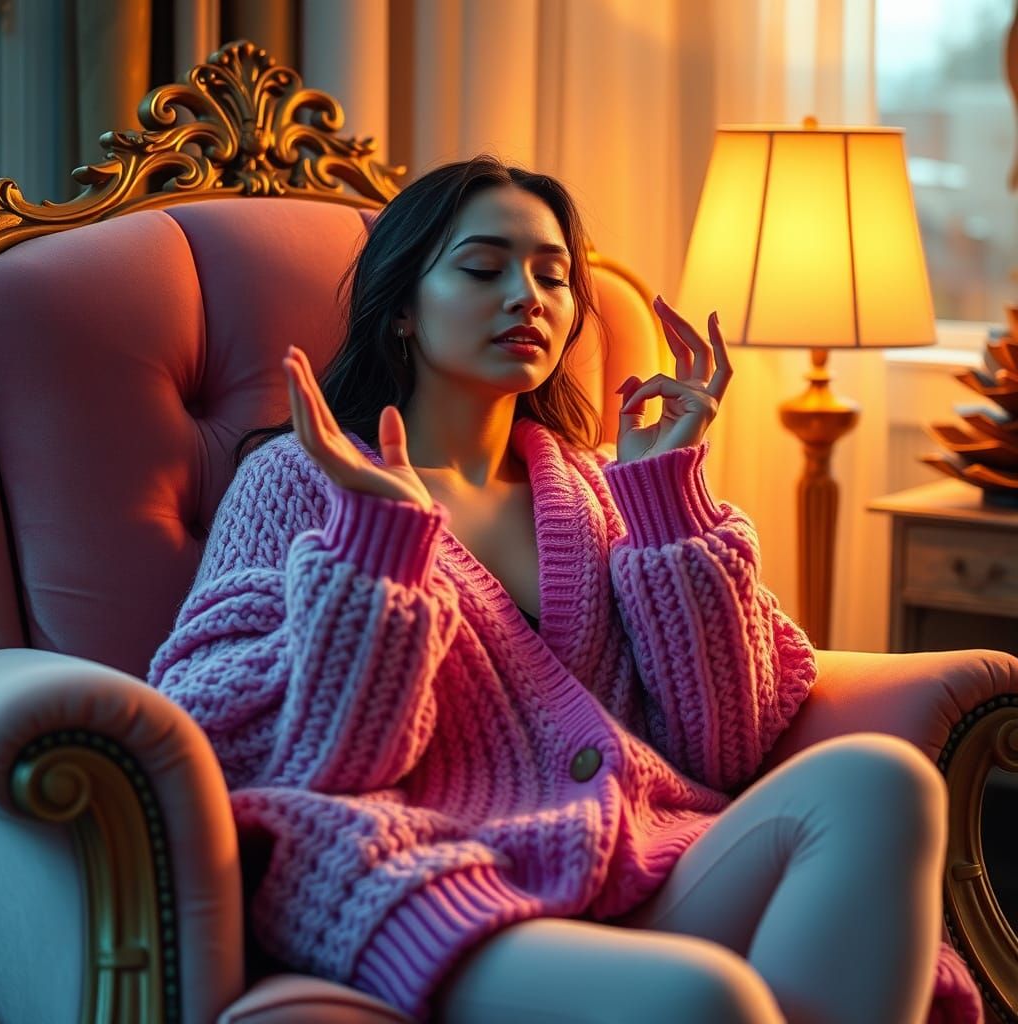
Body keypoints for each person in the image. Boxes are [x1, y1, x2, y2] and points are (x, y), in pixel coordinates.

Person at [148, 155, 982, 1024]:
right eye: (483, 268)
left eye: (553, 275)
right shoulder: (299, 481)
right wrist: (379, 549)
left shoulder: (594, 490)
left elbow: (722, 748)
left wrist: (665, 502)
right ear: (401, 307)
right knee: (707, 998)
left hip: (633, 854)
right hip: (424, 875)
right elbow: (269, 751)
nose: (529, 296)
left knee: (884, 781)